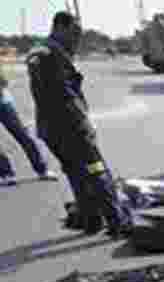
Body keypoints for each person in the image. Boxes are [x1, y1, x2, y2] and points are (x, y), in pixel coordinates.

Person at [26, 12, 132, 236]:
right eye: (74, 33)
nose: (77, 39)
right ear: (60, 27)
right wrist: (84, 123)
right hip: (71, 128)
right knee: (97, 170)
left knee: (76, 174)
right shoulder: (51, 53)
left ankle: (91, 220)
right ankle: (117, 221)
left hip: (50, 130)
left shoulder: (39, 51)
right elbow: (65, 95)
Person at [0, 61, 57, 185]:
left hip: (3, 103)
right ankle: (6, 174)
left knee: (22, 135)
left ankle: (42, 169)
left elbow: (3, 82)